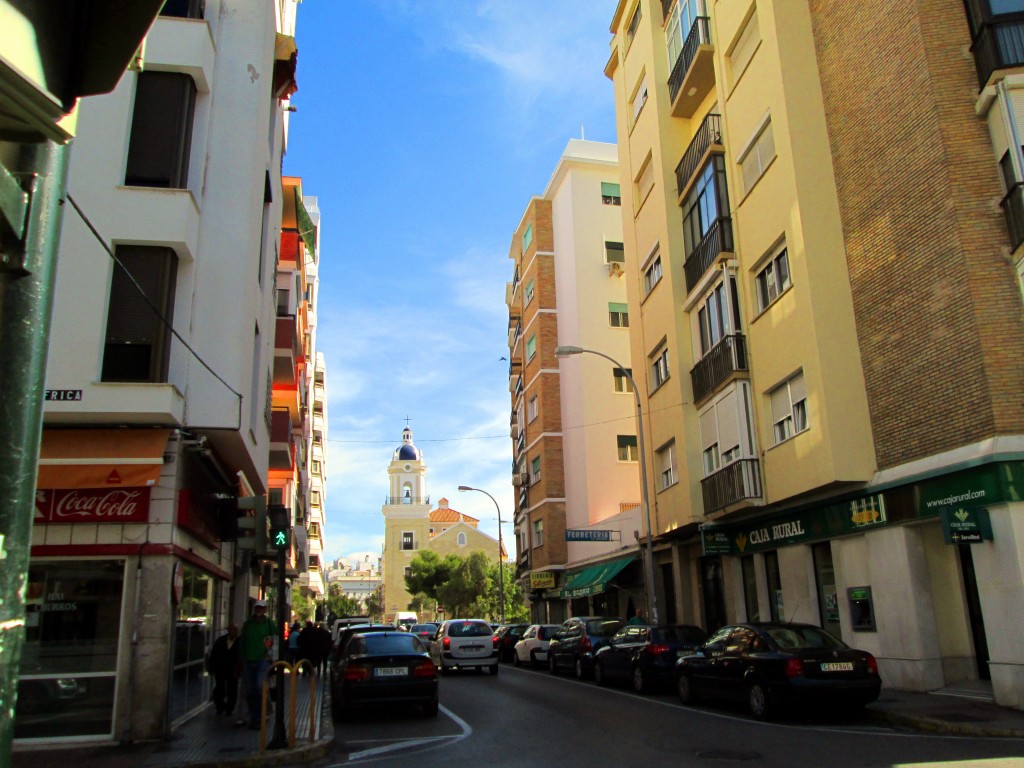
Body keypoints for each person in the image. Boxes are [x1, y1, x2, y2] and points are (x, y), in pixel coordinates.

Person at [237, 599, 277, 729]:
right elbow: (242, 640)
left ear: (265, 610)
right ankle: (254, 716)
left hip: (262, 661)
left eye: (261, 608)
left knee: (259, 687)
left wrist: (273, 658)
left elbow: (275, 640)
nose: (259, 610)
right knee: (249, 691)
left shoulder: (269, 624)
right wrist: (242, 658)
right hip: (248, 661)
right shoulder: (248, 624)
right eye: (257, 608)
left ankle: (260, 717)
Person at [207, 622, 240, 716]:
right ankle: (219, 706)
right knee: (219, 688)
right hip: (220, 669)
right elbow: (214, 654)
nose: (234, 632)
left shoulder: (240, 642)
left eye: (236, 630)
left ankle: (229, 708)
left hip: (233, 670)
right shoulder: (220, 640)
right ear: (228, 630)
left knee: (232, 689)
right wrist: (211, 667)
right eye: (232, 629)